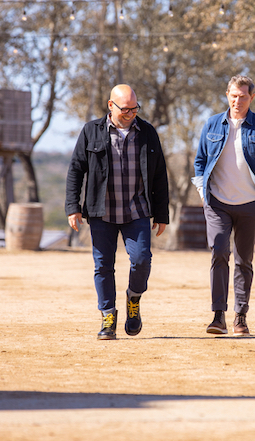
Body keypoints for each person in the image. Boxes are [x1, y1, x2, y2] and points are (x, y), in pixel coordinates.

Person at [65, 84, 169, 340]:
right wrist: (73, 207)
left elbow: (159, 174)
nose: (130, 114)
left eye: (135, 109)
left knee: (142, 259)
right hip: (102, 212)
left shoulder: (147, 132)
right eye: (125, 109)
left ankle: (134, 298)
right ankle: (108, 316)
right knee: (103, 265)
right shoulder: (91, 131)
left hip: (137, 210)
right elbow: (76, 170)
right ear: (110, 105)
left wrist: (161, 213)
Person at [192, 75, 255, 336]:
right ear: (227, 95)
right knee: (219, 251)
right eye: (233, 95)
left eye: (242, 96)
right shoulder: (212, 124)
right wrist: (202, 191)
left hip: (251, 204)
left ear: (251, 97)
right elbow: (200, 160)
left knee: (244, 260)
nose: (237, 101)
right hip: (217, 202)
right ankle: (218, 316)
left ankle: (240, 316)